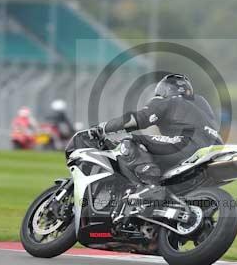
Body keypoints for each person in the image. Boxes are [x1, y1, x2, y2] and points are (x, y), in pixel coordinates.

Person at [90, 74, 222, 195]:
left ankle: (150, 187)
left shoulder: (166, 101)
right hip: (214, 146)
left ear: (166, 90)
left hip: (187, 145)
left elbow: (137, 120)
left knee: (130, 141)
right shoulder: (201, 101)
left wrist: (104, 127)